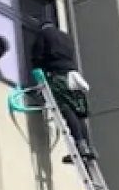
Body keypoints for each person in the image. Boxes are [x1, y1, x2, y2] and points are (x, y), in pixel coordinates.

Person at [31, 20, 97, 163]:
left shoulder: (43, 34)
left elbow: (37, 57)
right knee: (78, 113)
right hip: (73, 76)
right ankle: (87, 147)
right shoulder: (66, 37)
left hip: (59, 76)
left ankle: (80, 145)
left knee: (66, 108)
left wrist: (38, 78)